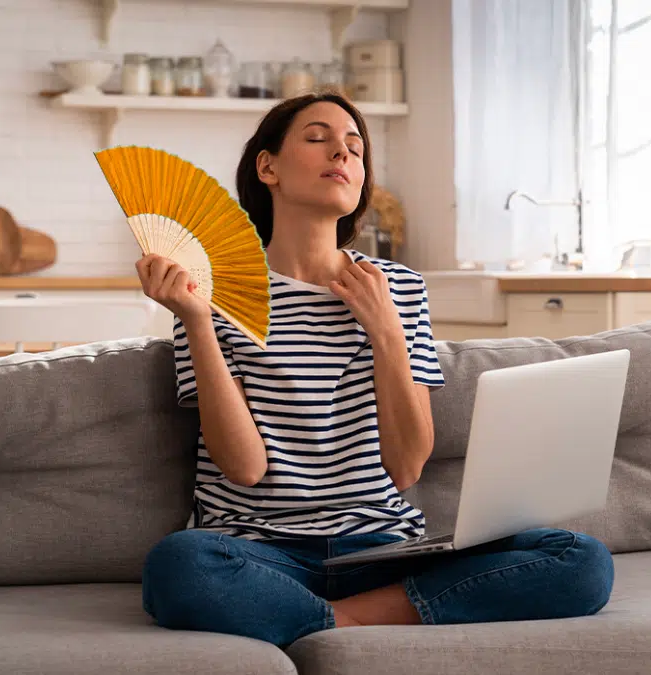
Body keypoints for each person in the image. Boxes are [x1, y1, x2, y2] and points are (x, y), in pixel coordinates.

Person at [135, 91, 614, 647]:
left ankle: (330, 623)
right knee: (179, 565)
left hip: (380, 550)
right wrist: (195, 321)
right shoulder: (210, 295)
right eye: (317, 139)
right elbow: (243, 468)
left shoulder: (400, 288)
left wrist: (386, 329)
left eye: (355, 148)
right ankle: (367, 622)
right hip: (259, 550)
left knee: (581, 561)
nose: (341, 153)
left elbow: (407, 466)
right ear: (268, 167)